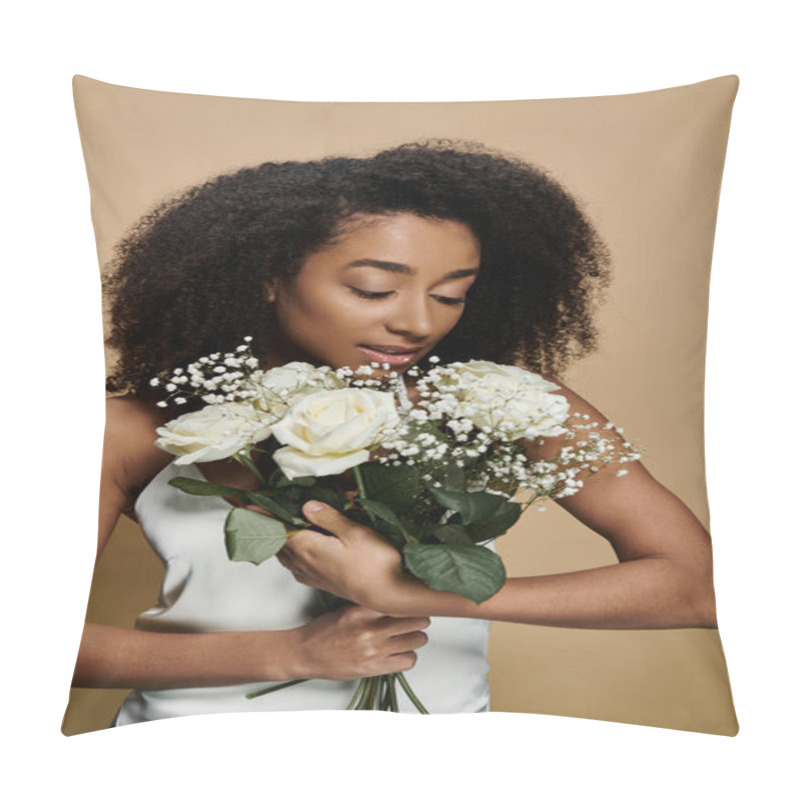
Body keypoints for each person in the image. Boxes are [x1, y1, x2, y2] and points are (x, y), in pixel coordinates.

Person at [71, 141, 717, 725]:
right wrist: (294, 653)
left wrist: (410, 592)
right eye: (375, 289)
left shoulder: (501, 406)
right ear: (269, 274)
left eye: (451, 294)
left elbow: (699, 587)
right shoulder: (134, 428)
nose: (417, 323)